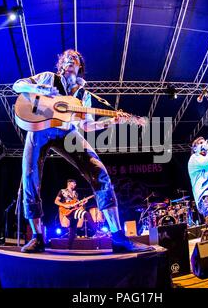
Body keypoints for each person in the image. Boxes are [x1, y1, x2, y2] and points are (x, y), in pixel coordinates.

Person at [13, 49, 152, 253]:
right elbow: (18, 85)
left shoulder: (83, 95)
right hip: (40, 129)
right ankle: (37, 236)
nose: (70, 60)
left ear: (79, 68)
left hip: (67, 133)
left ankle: (118, 237)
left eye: (75, 59)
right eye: (67, 59)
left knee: (99, 171)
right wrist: (42, 89)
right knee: (29, 176)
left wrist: (111, 122)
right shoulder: (47, 77)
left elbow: (86, 126)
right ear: (61, 65)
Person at [55, 179, 97, 249]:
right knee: (86, 214)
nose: (75, 185)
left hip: (74, 210)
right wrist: (65, 205)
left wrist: (83, 203)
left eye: (75, 184)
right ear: (69, 183)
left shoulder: (75, 193)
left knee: (73, 228)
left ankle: (69, 246)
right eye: (73, 183)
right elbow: (56, 201)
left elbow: (76, 204)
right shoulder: (62, 191)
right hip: (67, 211)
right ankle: (95, 230)